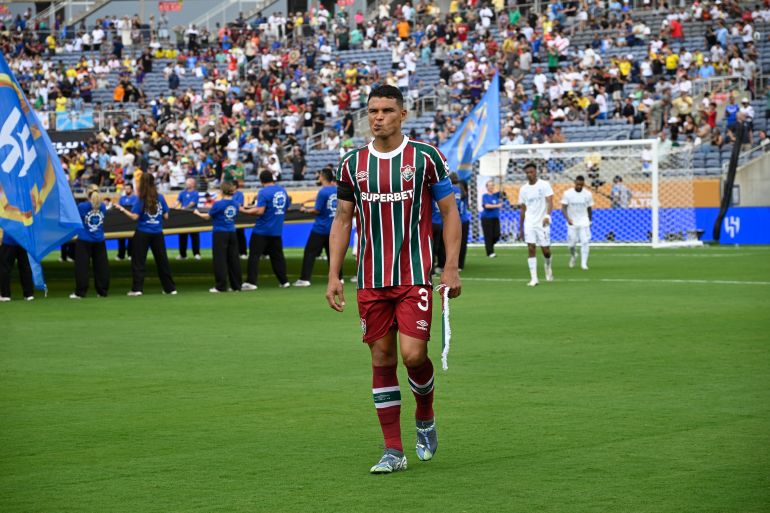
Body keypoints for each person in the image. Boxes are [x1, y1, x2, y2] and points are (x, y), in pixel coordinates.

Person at [325, 85, 462, 474]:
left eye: (387, 110)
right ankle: (393, 450)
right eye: (373, 111)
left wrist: (450, 266)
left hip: (414, 274)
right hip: (369, 277)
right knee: (382, 358)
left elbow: (449, 213)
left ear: (403, 114)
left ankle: (425, 412)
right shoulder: (352, 164)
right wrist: (334, 275)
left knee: (413, 355)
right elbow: (342, 220)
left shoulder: (425, 158)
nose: (378, 117)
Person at [114, 175, 177, 296]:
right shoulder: (160, 197)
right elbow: (166, 216)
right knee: (162, 261)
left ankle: (137, 289)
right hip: (157, 232)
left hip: (143, 232)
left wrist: (121, 209)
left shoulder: (141, 198)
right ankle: (170, 288)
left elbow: (134, 217)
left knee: (138, 261)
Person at [241, 170, 292, 290]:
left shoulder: (263, 192)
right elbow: (287, 206)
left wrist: (244, 210)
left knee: (254, 256)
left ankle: (251, 282)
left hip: (262, 230)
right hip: (276, 230)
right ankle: (284, 281)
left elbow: (260, 211)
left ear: (261, 180)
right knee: (278, 257)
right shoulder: (282, 190)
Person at [193, 182, 243, 293]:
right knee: (233, 259)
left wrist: (197, 213)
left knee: (220, 260)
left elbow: (207, 217)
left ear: (222, 191)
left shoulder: (218, 204)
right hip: (232, 232)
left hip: (220, 233)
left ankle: (220, 286)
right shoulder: (235, 203)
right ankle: (236, 286)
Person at [294, 168, 340, 287]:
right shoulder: (337, 190)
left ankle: (305, 279)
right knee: (333, 254)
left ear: (323, 177)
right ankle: (339, 277)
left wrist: (305, 210)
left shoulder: (323, 191)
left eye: (319, 175)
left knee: (310, 252)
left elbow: (316, 210)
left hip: (321, 228)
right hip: (334, 227)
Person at [518, 162, 554, 287]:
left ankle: (548, 265)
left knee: (546, 250)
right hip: (529, 222)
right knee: (531, 248)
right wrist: (521, 228)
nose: (529, 174)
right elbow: (522, 209)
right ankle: (534, 278)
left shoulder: (544, 185)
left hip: (542, 222)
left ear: (536, 172)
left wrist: (547, 216)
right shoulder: (523, 189)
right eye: (527, 172)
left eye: (531, 172)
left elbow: (550, 201)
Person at [71, 185, 110, 299]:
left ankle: (80, 292)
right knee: (101, 267)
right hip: (99, 240)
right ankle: (102, 291)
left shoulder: (82, 206)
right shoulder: (102, 206)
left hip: (84, 240)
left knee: (82, 267)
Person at [561, 175, 594, 271]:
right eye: (578, 184)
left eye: (581, 184)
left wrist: (590, 221)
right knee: (571, 244)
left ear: (583, 184)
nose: (579, 186)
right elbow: (563, 208)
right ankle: (573, 255)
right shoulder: (567, 194)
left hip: (584, 221)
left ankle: (584, 264)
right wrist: (568, 219)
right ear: (575, 183)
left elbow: (589, 208)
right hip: (572, 221)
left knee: (585, 242)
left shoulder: (588, 194)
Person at [0, 231, 34, 302]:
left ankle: (5, 295)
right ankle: (29, 294)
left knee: (5, 268)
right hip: (22, 240)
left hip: (8, 240)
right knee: (25, 267)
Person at [174, 178, 201, 260]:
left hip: (193, 216)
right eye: (187, 182)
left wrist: (184, 208)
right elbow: (177, 201)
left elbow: (192, 203)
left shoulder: (195, 193)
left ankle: (196, 254)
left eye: (189, 182)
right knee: (182, 236)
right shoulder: (182, 193)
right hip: (183, 217)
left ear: (193, 184)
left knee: (194, 236)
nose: (187, 184)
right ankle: (183, 255)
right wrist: (173, 207)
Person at [450, 173, 470, 271]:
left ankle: (451, 263)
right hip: (465, 219)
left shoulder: (451, 190)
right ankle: (460, 265)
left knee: (452, 243)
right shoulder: (463, 192)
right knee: (462, 243)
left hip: (454, 221)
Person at [480, 180, 503, 257]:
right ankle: (490, 252)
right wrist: (497, 206)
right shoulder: (485, 196)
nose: (491, 187)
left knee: (497, 234)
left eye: (492, 185)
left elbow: (503, 192)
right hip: (487, 218)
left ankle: (489, 245)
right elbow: (486, 206)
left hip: (495, 218)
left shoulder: (496, 195)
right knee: (488, 235)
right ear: (487, 187)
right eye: (489, 185)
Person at [116, 183, 138, 260]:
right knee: (121, 238)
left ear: (131, 189)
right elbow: (118, 207)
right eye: (125, 188)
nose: (126, 190)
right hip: (122, 222)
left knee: (132, 239)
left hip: (132, 221)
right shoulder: (122, 198)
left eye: (128, 188)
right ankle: (120, 255)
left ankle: (130, 254)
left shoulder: (136, 198)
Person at [231, 181, 248, 260]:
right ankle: (235, 253)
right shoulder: (228, 194)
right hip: (231, 218)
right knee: (233, 237)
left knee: (240, 235)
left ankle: (243, 252)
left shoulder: (239, 194)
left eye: (232, 185)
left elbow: (239, 204)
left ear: (235, 186)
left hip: (238, 218)